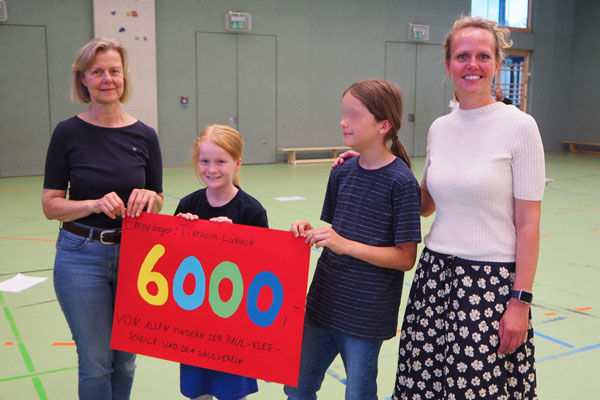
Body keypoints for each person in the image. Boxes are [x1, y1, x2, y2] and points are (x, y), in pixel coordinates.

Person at [391, 17, 544, 399]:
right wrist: (370, 161)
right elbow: (425, 205)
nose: (471, 64)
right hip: (435, 277)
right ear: (448, 66)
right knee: (425, 386)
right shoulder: (440, 128)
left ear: (496, 63)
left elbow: (528, 224)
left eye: (482, 56)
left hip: (489, 287)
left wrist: (520, 302)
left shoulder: (520, 127)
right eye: (462, 56)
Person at [284, 79, 422, 400]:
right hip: (322, 304)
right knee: (297, 386)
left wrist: (344, 245)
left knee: (358, 394)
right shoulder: (342, 172)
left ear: (383, 125)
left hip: (365, 315)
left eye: (354, 115)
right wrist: (308, 233)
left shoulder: (401, 182)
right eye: (343, 113)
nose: (343, 121)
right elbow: (336, 232)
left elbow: (405, 258)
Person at [42, 38, 164, 399]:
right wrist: (93, 203)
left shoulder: (145, 135)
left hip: (136, 258)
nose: (107, 79)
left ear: (124, 77)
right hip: (81, 256)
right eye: (97, 72)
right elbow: (50, 205)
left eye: (114, 70)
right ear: (83, 80)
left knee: (125, 361)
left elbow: (157, 197)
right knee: (95, 363)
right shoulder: (67, 133)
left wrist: (150, 199)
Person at [174, 124, 268, 400]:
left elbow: (263, 270)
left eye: (220, 162)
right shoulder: (188, 205)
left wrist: (235, 240)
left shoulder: (251, 211)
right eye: (204, 161)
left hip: (233, 323)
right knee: (197, 390)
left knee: (232, 392)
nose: (211, 169)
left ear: (237, 164)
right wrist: (180, 234)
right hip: (195, 321)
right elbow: (176, 266)